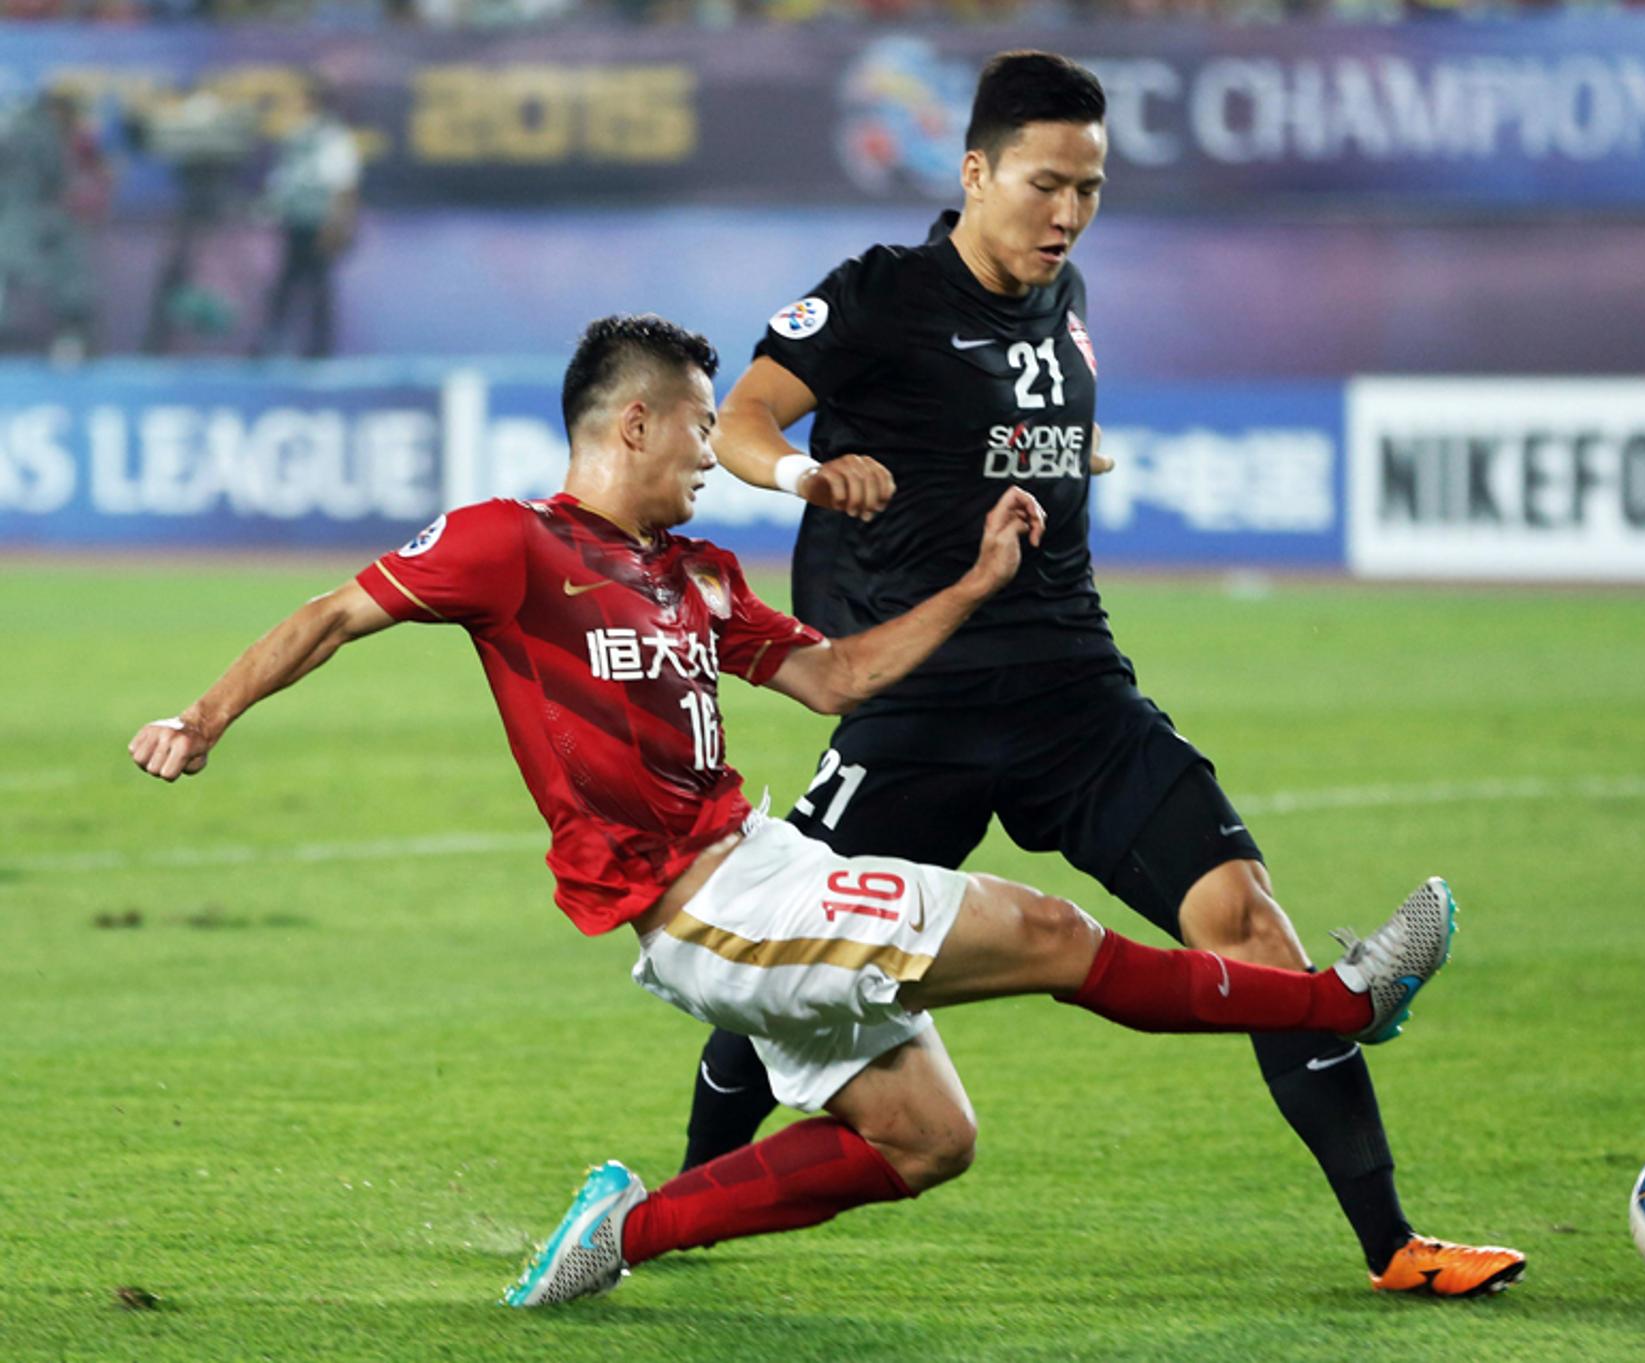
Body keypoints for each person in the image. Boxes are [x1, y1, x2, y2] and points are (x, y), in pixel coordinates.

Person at [129, 313, 1457, 1308]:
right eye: (703, 426)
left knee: (930, 1138)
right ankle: (1344, 1000)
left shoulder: (693, 576)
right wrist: (204, 714)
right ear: (635, 424)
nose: (716, 452)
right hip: (698, 901)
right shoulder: (506, 542)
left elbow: (837, 676)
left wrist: (978, 584)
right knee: (1048, 928)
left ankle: (620, 1235)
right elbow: (331, 614)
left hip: (761, 863)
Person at [694, 51, 1525, 1297]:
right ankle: (674, 1205)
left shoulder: (1062, 292)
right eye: (1044, 185)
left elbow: (1030, 427)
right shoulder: (874, 297)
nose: (1068, 213)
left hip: (1076, 694)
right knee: (783, 994)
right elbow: (740, 420)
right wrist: (809, 476)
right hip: (915, 710)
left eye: (1088, 188)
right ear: (974, 173)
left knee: (1253, 935)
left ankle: (1394, 1245)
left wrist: (1076, 459)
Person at [251, 79, 359, 359]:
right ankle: (272, 345)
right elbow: (286, 179)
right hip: (296, 218)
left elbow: (343, 184)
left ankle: (319, 348)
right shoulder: (297, 135)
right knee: (288, 282)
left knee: (318, 284)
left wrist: (337, 223)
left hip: (319, 221)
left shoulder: (333, 138)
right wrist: (273, 208)